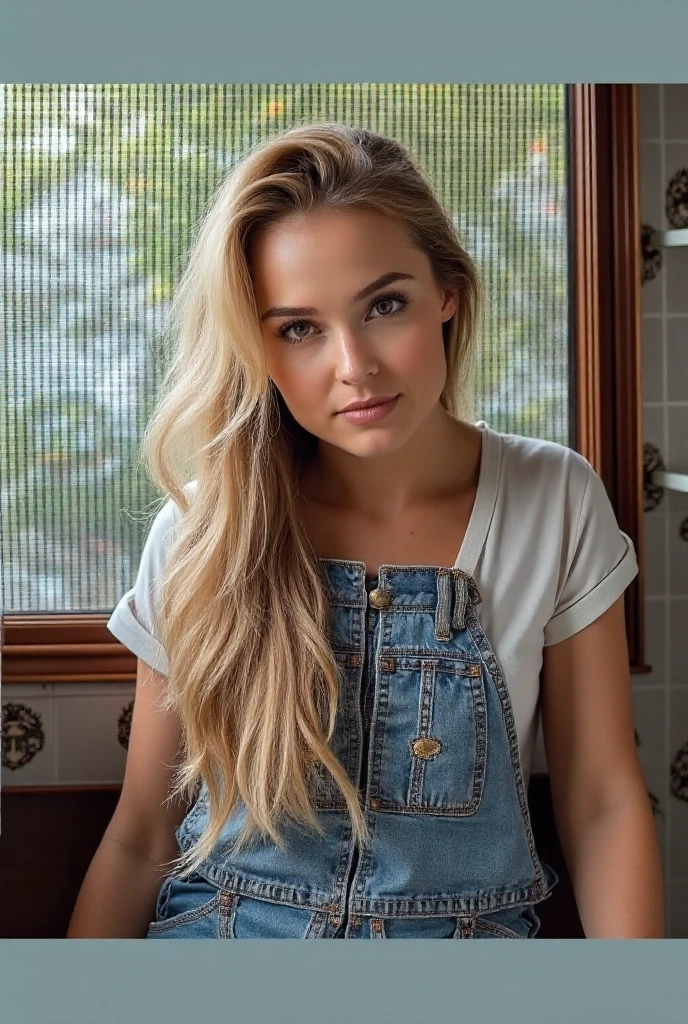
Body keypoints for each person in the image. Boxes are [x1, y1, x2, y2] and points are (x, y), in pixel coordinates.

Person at [67, 122, 664, 940]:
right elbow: (141, 838)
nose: (354, 364)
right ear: (257, 347)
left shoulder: (553, 499)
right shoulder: (205, 528)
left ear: (447, 290)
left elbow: (602, 805)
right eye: (299, 328)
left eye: (385, 306)